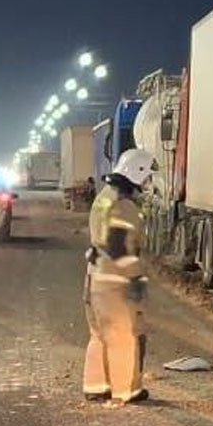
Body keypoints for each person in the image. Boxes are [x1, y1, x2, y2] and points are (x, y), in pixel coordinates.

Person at [83, 148, 155, 406]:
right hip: (115, 280)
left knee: (99, 334)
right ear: (136, 173)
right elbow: (120, 247)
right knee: (124, 336)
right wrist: (135, 280)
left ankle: (96, 385)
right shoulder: (124, 205)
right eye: (147, 177)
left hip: (95, 275)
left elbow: (101, 238)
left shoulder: (104, 197)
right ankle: (125, 391)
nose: (148, 183)